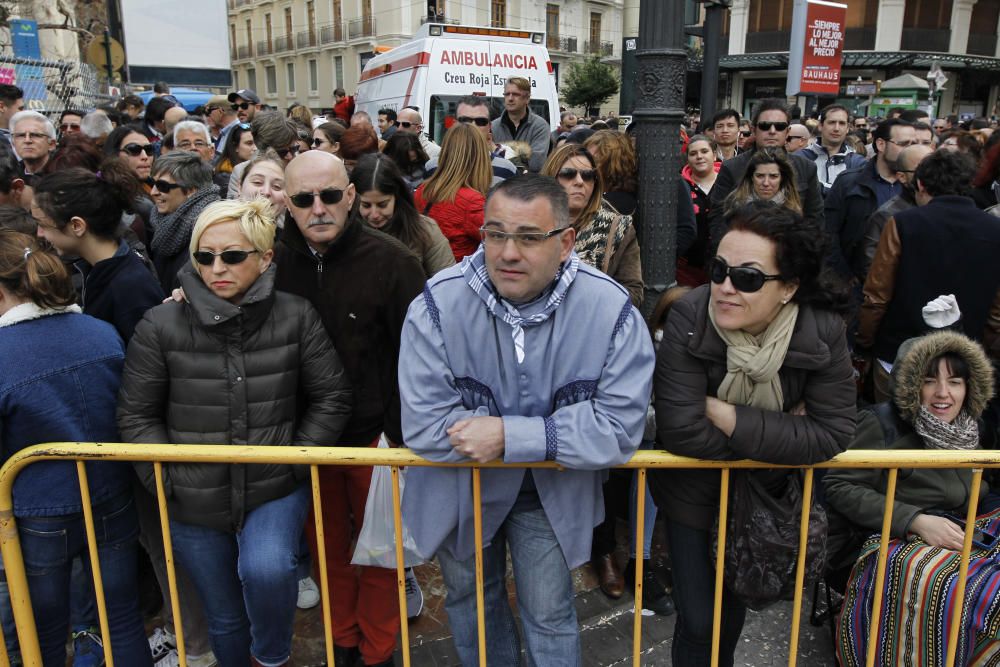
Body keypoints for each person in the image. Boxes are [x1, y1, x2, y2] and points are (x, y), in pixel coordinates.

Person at [399, 174, 655, 667]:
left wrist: (504, 434)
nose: (507, 252)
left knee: (549, 612)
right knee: (473, 606)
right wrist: (561, 434)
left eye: (528, 237)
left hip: (549, 493)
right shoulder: (437, 303)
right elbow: (426, 425)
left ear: (565, 242)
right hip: (461, 490)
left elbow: (621, 427)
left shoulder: (610, 310)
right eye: (495, 234)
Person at [118, 198, 352, 667]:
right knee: (223, 615)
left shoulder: (296, 315)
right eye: (204, 256)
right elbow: (136, 416)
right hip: (191, 495)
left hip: (273, 486)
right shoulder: (160, 324)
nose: (216, 267)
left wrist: (295, 459)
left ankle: (270, 656)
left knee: (267, 572)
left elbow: (332, 396)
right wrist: (167, 480)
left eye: (232, 255)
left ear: (265, 258)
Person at [650, 202, 856, 666]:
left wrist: (723, 413)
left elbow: (833, 433)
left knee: (732, 613)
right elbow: (681, 431)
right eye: (719, 270)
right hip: (694, 495)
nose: (724, 287)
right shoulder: (690, 314)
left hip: (767, 497)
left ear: (787, 288)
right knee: (699, 619)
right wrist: (786, 433)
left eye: (747, 278)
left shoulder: (821, 329)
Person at [275, 150, 425, 667]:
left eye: (330, 195)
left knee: (382, 553)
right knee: (325, 551)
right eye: (303, 198)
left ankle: (379, 648)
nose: (319, 208)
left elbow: (419, 357)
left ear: (352, 196)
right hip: (304, 441)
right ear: (288, 205)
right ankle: (342, 642)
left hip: (373, 439)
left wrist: (398, 436)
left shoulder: (394, 262)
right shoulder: (268, 259)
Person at [0, 229, 153, 667]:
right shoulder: (100, 332)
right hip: (112, 495)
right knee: (121, 616)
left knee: (44, 629)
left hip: (37, 512)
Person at [824, 330, 998, 664]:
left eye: (956, 382)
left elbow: (979, 489)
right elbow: (839, 487)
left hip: (956, 530)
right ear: (910, 383)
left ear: (969, 387)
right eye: (930, 380)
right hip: (886, 538)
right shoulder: (881, 424)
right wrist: (914, 520)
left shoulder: (970, 428)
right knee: (972, 593)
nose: (943, 393)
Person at [858, 150, 1000, 400]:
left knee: (893, 432)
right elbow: (996, 313)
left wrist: (864, 343)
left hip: (898, 351)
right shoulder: (994, 228)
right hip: (963, 358)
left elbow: (877, 295)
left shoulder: (903, 223)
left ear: (921, 185)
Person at [32, 162, 162, 341]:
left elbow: (144, 361)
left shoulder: (130, 290)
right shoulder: (98, 269)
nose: (39, 234)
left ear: (77, 225)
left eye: (43, 224)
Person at [708, 98, 823, 252]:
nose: (772, 131)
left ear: (787, 132)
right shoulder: (732, 167)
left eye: (780, 126)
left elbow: (814, 219)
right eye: (765, 126)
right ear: (754, 129)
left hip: (789, 258)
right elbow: (718, 218)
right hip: (741, 256)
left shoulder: (806, 168)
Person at [540, 144, 647, 308]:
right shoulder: (531, 224)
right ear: (551, 177)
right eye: (568, 174)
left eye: (588, 175)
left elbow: (633, 293)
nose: (579, 182)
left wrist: (587, 302)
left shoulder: (617, 227)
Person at [825, 118, 916, 285]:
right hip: (853, 284)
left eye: (913, 144)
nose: (909, 150)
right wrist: (844, 275)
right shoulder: (849, 182)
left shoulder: (918, 187)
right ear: (881, 144)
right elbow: (829, 232)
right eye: (903, 144)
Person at [350, 153, 454, 277]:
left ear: (397, 197)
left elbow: (446, 282)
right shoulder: (344, 230)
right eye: (366, 205)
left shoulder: (425, 230)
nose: (374, 214)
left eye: (382, 205)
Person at [414, 123, 491, 261]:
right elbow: (497, 239)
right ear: (480, 157)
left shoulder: (422, 190)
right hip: (457, 276)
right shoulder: (472, 201)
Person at [857, 142, 934, 279]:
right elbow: (874, 270)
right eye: (921, 170)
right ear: (902, 177)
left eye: (934, 168)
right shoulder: (887, 216)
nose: (931, 175)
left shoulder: (948, 206)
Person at [148, 152, 221, 294]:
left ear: (190, 190)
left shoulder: (210, 232)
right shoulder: (163, 222)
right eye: (152, 183)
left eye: (162, 186)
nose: (153, 192)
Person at [424, 96, 517, 183]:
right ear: (454, 124)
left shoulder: (507, 170)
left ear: (489, 127)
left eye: (480, 121)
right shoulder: (434, 167)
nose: (473, 126)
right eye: (465, 120)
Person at [679, 134, 720, 286]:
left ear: (714, 155)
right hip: (688, 267)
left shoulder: (728, 181)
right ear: (688, 159)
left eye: (704, 151)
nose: (699, 157)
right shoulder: (680, 185)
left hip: (723, 262)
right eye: (693, 153)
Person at [796, 105, 867, 194]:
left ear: (848, 128)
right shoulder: (800, 158)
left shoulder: (858, 163)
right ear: (820, 126)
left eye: (842, 123)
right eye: (832, 122)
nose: (836, 128)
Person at [491, 77, 551, 172]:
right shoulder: (493, 126)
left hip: (528, 184)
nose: (510, 98)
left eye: (515, 94)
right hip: (500, 183)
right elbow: (489, 161)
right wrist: (525, 153)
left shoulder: (540, 126)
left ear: (527, 99)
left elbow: (536, 164)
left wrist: (502, 153)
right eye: (507, 94)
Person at [723, 148, 802, 216]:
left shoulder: (793, 210)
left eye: (773, 176)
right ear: (751, 177)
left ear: (782, 178)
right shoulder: (734, 204)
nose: (766, 183)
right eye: (760, 176)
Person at [239, 152, 287, 221]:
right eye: (257, 182)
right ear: (239, 187)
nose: (266, 192)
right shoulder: (218, 228)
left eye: (277, 186)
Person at [11, 110, 56, 177]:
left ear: (51, 144)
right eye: (21, 135)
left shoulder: (64, 176)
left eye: (35, 135)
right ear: (13, 143)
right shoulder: (8, 175)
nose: (27, 140)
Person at [215, 121, 255, 191]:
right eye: (249, 143)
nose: (255, 148)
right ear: (235, 146)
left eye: (257, 142)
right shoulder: (225, 177)